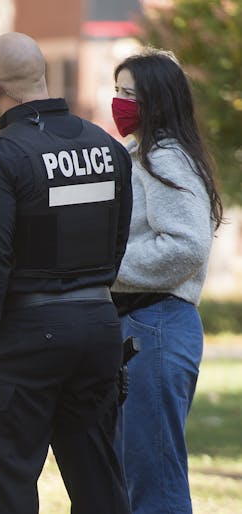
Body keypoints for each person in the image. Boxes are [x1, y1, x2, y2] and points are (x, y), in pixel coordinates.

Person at [0, 32, 133, 514]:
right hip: (97, 327)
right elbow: (119, 240)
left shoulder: (0, 157)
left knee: (5, 485)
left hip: (26, 335)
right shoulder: (106, 147)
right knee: (99, 479)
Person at [110, 49, 223, 514]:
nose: (118, 103)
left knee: (155, 482)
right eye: (115, 91)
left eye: (129, 95)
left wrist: (104, 267)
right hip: (139, 325)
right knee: (132, 474)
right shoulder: (143, 153)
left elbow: (186, 245)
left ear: (158, 100)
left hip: (156, 324)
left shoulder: (166, 156)